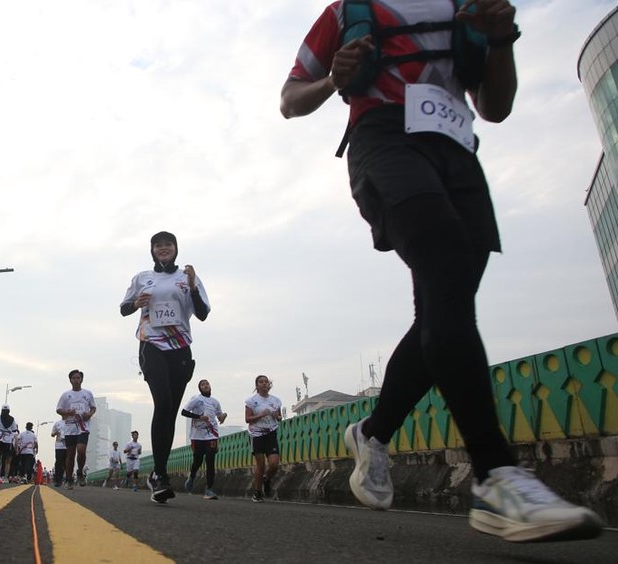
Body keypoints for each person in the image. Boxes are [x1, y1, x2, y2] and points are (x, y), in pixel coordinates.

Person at [280, 0, 603, 541]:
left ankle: (373, 432)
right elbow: (291, 100)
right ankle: (496, 476)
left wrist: (501, 39)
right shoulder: (349, 11)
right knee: (447, 268)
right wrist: (333, 80)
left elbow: (495, 107)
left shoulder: (468, 7)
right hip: (382, 140)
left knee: (443, 303)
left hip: (457, 152)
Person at [120, 231, 211, 504]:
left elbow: (203, 314)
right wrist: (136, 303)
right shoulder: (141, 277)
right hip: (152, 344)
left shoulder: (187, 277)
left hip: (180, 348)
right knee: (162, 402)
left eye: (167, 245)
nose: (163, 249)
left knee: (170, 411)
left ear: (175, 249)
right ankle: (160, 475)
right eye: (158, 245)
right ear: (152, 250)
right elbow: (124, 308)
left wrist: (193, 286)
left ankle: (157, 474)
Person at [181, 379, 227, 500]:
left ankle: (210, 489)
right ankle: (191, 477)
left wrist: (223, 416)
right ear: (200, 388)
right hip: (197, 435)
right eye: (203, 384)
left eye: (207, 384)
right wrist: (199, 417)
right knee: (198, 460)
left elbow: (219, 416)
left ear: (210, 386)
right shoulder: (196, 399)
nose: (205, 385)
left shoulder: (215, 401)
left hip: (212, 435)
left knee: (210, 460)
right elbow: (183, 412)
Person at [56, 369, 96, 489]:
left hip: (83, 427)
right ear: (70, 380)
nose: (76, 380)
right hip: (70, 428)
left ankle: (80, 472)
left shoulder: (87, 393)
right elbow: (58, 409)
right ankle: (69, 479)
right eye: (74, 378)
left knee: (81, 451)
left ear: (82, 379)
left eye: (78, 378)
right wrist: (67, 412)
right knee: (70, 454)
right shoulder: (65, 395)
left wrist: (89, 414)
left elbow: (93, 408)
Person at [244, 375, 282, 503]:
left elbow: (279, 417)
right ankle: (257, 492)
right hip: (256, 435)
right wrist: (261, 415)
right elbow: (247, 419)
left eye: (266, 382)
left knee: (274, 463)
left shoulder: (276, 401)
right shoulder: (251, 401)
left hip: (271, 432)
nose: (264, 384)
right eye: (261, 382)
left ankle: (266, 479)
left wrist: (277, 416)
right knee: (260, 465)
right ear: (257, 385)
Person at [0, 404, 18, 481]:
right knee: (4, 458)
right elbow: (14, 429)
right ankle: (2, 475)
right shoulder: (12, 419)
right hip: (7, 439)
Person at [50, 415, 67, 487]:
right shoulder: (57, 423)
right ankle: (58, 480)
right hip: (59, 446)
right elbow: (52, 434)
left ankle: (67, 480)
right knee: (58, 462)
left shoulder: (71, 423)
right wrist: (56, 433)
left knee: (66, 463)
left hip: (68, 446)